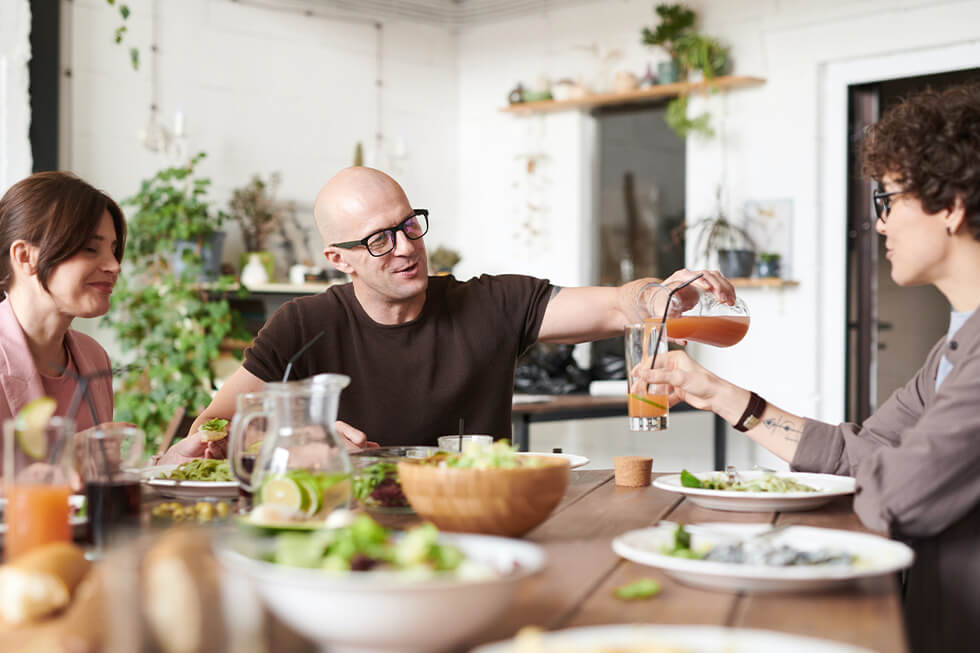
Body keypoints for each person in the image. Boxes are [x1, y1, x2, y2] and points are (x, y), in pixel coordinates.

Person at [642, 83, 980, 652]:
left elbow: (895, 497)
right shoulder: (954, 346)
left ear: (950, 207)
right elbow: (859, 454)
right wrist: (720, 395)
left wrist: (885, 471)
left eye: (887, 200)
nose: (879, 225)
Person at [161, 166, 735, 462]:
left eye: (409, 224)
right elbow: (211, 426)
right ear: (340, 260)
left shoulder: (493, 303)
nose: (407, 246)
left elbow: (617, 303)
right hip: (347, 525)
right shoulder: (301, 325)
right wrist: (292, 433)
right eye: (379, 240)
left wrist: (659, 295)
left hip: (480, 519)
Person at [0, 172, 126, 450]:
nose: (114, 266)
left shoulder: (94, 357)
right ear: (24, 257)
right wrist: (63, 459)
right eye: (91, 248)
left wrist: (167, 464)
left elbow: (95, 481)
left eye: (114, 250)